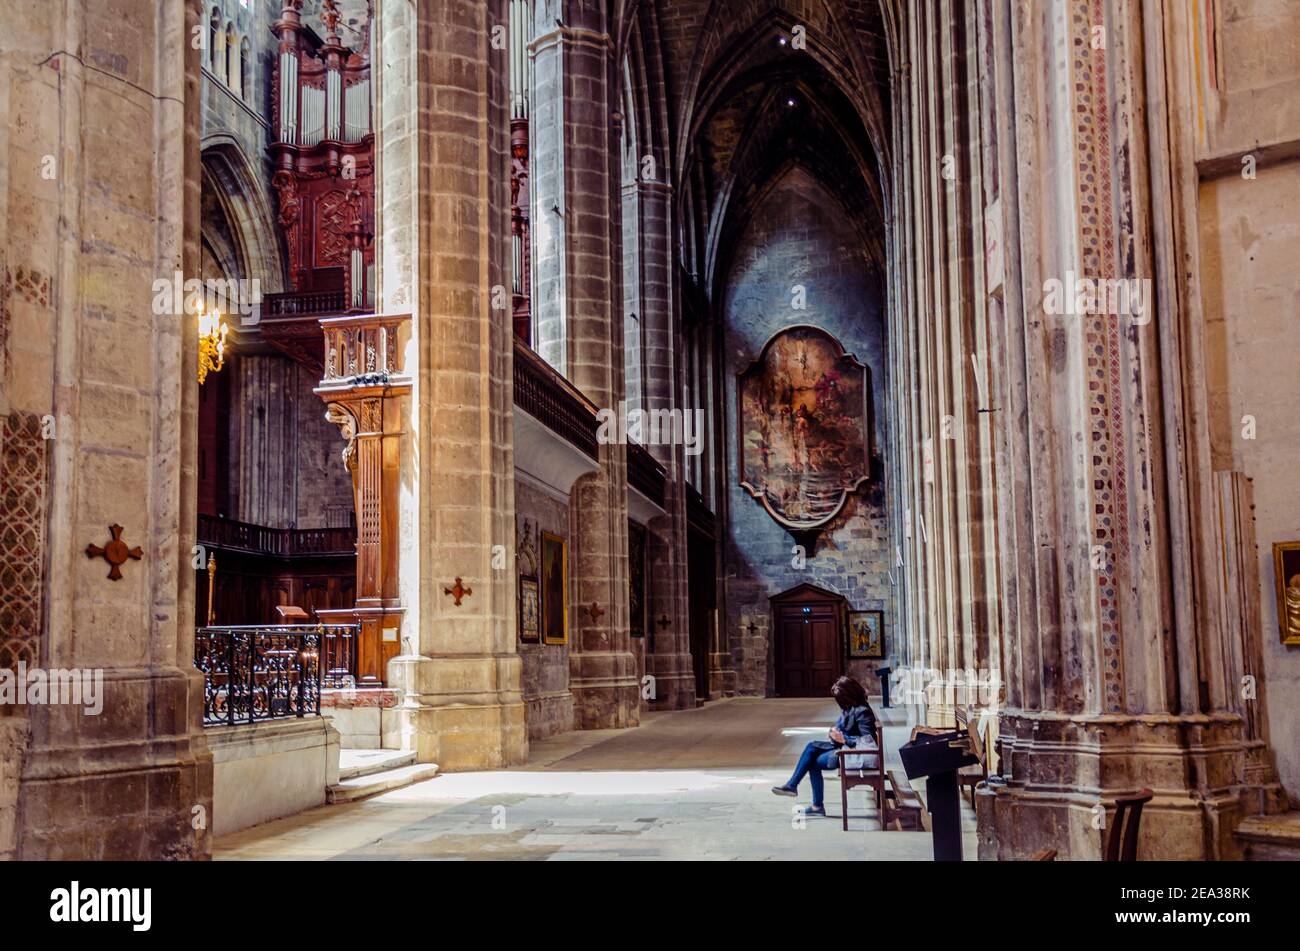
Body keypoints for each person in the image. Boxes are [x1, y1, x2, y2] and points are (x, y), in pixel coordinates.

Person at [772, 675, 879, 816]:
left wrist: (844, 739)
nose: (840, 704)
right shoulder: (850, 707)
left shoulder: (863, 712)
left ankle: (812, 802)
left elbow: (868, 742)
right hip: (843, 746)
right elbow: (841, 725)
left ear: (849, 695)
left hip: (853, 753)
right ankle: (794, 787)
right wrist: (833, 732)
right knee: (811, 747)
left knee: (812, 763)